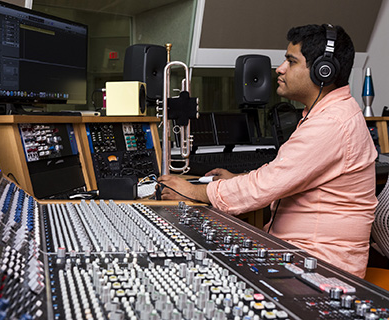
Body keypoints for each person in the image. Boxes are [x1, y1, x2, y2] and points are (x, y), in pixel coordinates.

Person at [158, 24, 377, 278]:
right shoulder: (329, 113)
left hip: (320, 269)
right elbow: (282, 174)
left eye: (291, 61)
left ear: (323, 72)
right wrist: (239, 180)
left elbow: (264, 187)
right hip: (301, 257)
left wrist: (193, 191)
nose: (280, 69)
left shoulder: (331, 124)